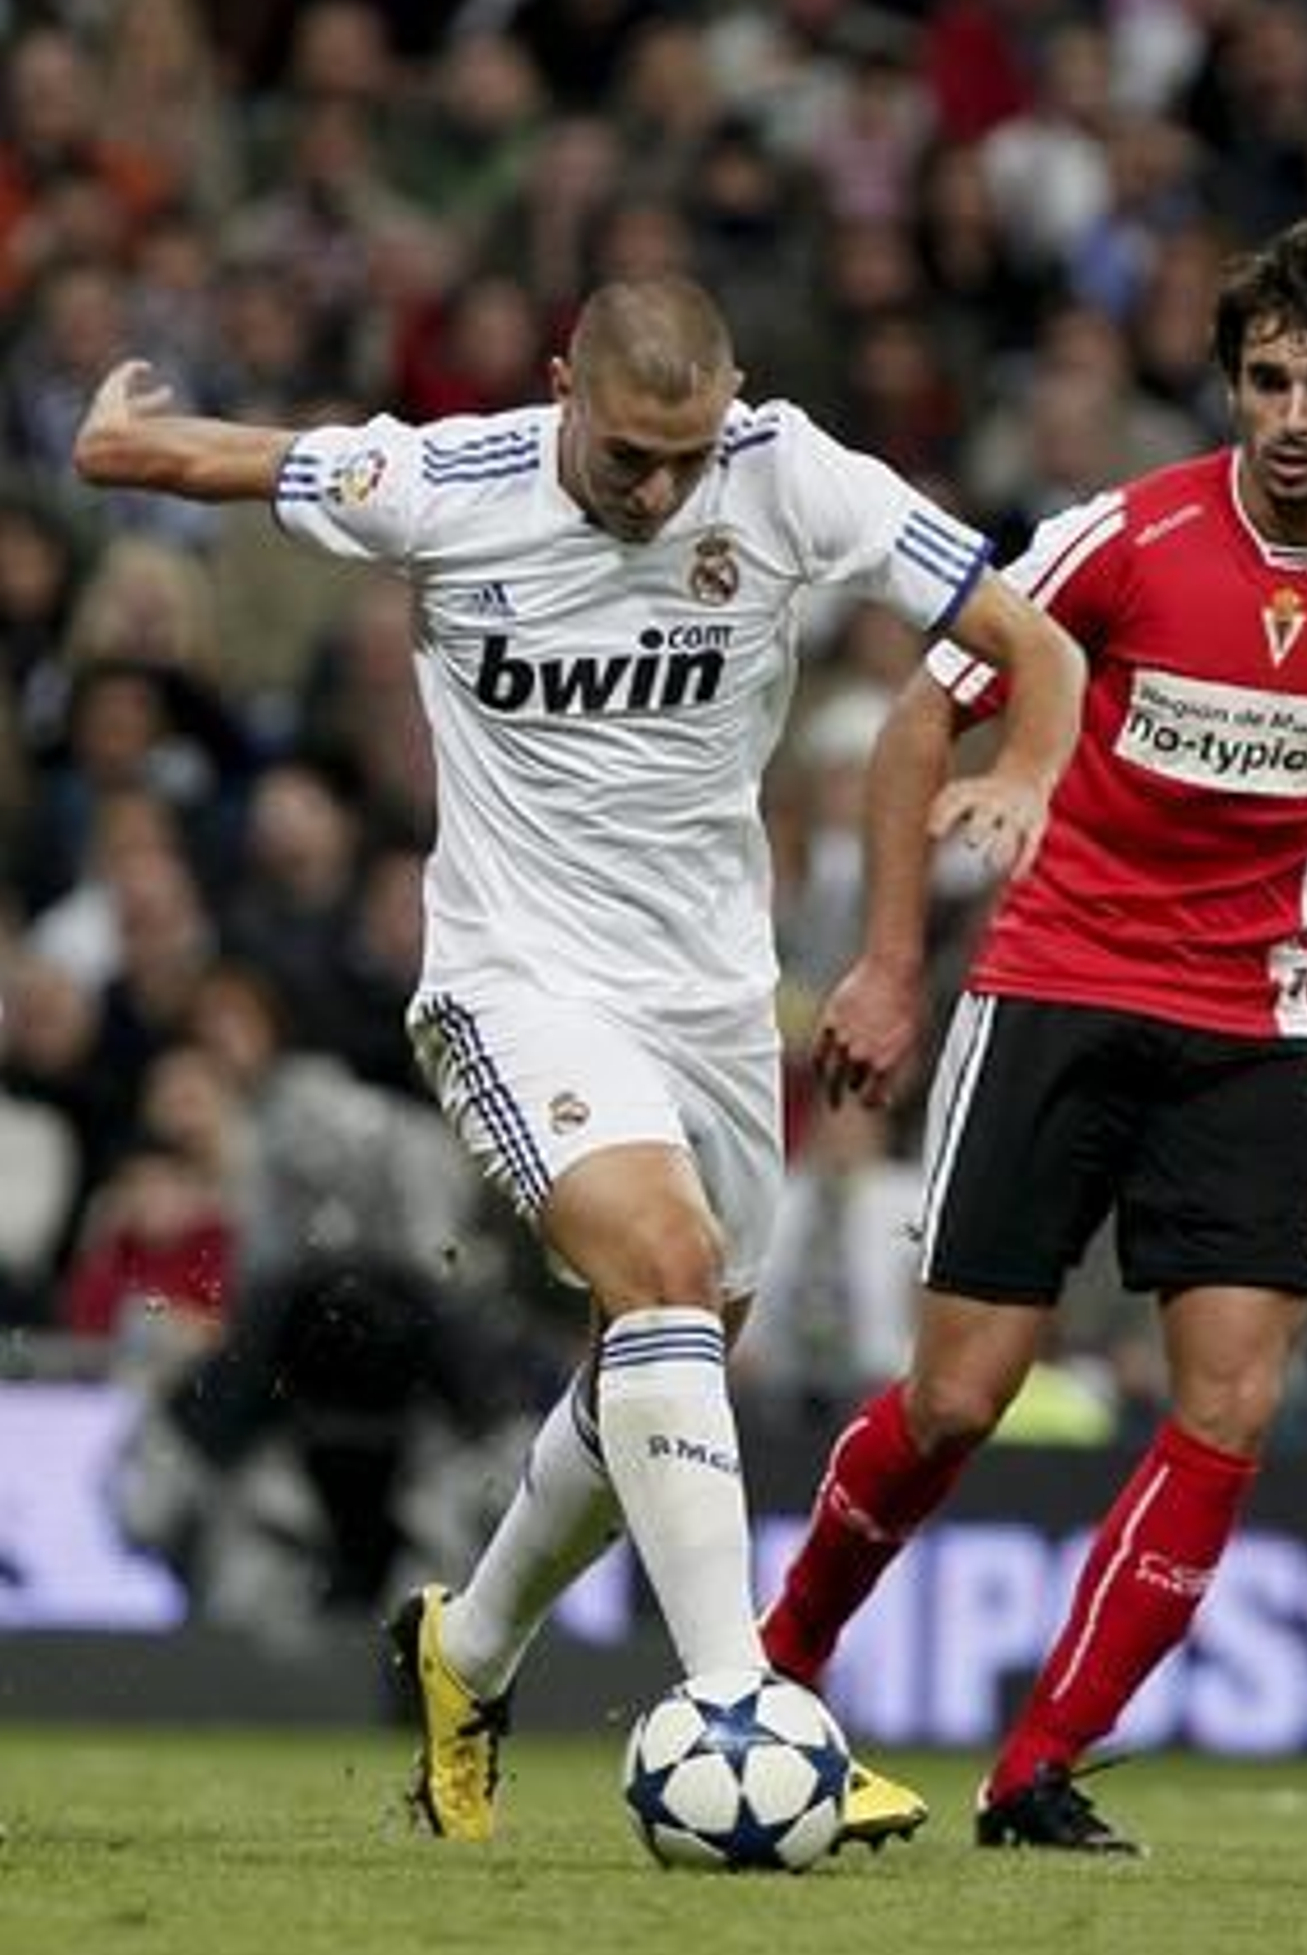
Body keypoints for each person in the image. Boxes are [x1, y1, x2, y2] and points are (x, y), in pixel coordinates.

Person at [72, 273, 1084, 1844]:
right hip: (514, 983)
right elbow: (245, 459)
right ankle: (751, 1716)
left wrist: (1026, 760)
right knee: (666, 1275)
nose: (662, 490)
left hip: (718, 1006)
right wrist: (123, 439)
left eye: (687, 457)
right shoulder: (446, 483)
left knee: (655, 1363)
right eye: (627, 456)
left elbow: (1030, 636)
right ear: (561, 390)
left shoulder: (789, 471)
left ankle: (463, 1652)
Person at [758, 219, 1307, 1853]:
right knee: (959, 1402)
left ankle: (1035, 1768)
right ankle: (776, 1662)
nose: (1296, 416)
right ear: (1232, 387)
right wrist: (893, 967)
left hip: (1253, 1027)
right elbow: (921, 722)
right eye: (1268, 381)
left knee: (1233, 1407)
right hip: (1052, 991)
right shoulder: (1122, 538)